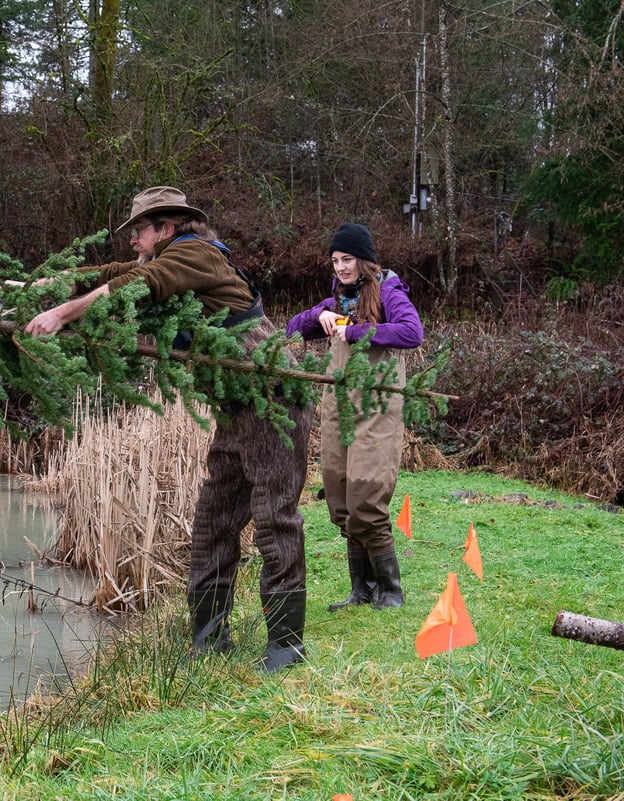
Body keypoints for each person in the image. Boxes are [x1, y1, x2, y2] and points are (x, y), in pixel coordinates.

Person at [23, 186, 313, 673]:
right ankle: (207, 642)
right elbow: (105, 276)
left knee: (274, 518)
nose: (133, 240)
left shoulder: (195, 255)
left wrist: (59, 314)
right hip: (236, 408)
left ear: (167, 228)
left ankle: (286, 647)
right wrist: (25, 292)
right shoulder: (169, 258)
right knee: (213, 522)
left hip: (273, 399)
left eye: (139, 230)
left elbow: (140, 284)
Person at [285, 223, 423, 611]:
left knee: (366, 502)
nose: (341, 267)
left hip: (377, 411)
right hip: (339, 411)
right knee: (341, 501)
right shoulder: (337, 298)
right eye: (335, 260)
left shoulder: (389, 290)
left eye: (347, 259)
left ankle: (391, 591)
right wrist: (321, 315)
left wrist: (360, 331)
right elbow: (292, 331)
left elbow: (412, 332)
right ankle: (360, 590)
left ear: (364, 260)